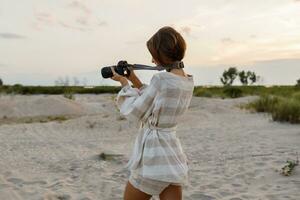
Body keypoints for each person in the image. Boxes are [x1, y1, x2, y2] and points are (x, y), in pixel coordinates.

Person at [110, 26, 194, 200]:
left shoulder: (160, 79)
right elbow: (159, 99)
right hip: (172, 154)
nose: (152, 59)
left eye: (154, 54)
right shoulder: (187, 81)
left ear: (161, 54)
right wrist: (135, 80)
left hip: (153, 156)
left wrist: (125, 84)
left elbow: (135, 111)